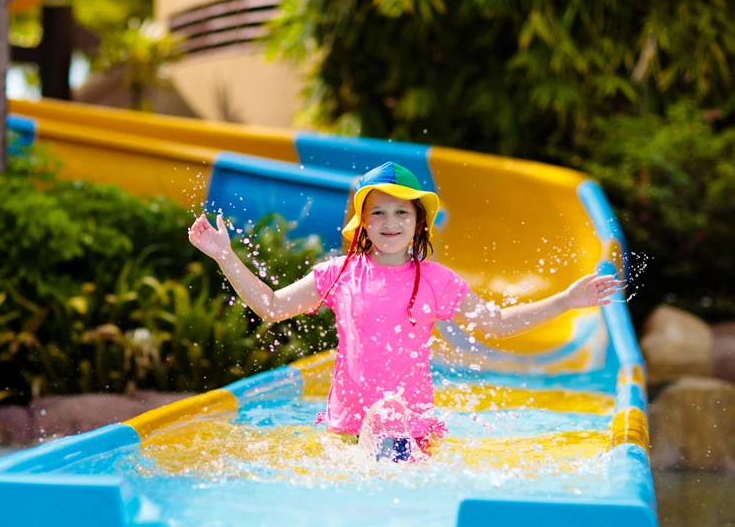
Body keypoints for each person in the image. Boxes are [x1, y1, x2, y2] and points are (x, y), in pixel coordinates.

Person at [188, 161, 619, 462]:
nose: (389, 222)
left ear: (418, 223)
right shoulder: (339, 274)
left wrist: (565, 300)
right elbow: (272, 306)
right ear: (363, 222)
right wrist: (225, 255)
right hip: (345, 428)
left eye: (401, 212)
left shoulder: (437, 279)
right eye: (378, 212)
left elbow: (496, 324)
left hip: (411, 431)